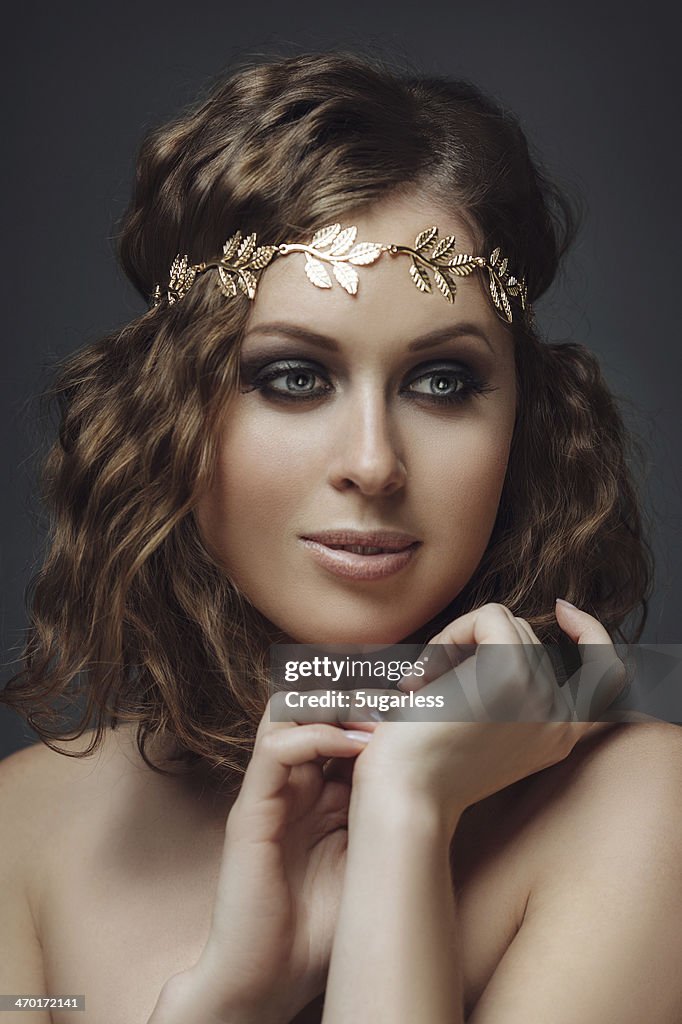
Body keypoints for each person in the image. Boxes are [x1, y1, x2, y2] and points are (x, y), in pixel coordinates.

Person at [1, 50, 680, 1024]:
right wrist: (226, 1002)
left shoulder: (641, 805)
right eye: (291, 377)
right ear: (170, 415)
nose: (372, 461)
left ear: (521, 421)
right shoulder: (20, 828)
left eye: (441, 381)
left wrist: (406, 815)